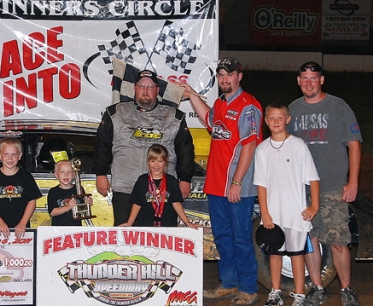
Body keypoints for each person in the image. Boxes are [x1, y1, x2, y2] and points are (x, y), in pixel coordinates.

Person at [179, 57, 262, 305]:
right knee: (222, 237)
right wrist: (192, 95)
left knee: (241, 238)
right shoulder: (220, 102)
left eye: (230, 74)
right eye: (221, 75)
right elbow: (209, 120)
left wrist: (237, 182)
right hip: (216, 184)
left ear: (240, 76)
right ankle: (229, 283)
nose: (225, 79)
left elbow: (250, 145)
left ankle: (248, 288)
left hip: (237, 187)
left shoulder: (249, 106)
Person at [288, 61, 362, 306]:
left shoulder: (338, 106)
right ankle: (317, 287)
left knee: (339, 241)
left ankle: (347, 289)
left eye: (313, 78)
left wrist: (352, 183)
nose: (309, 82)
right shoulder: (292, 110)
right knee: (312, 240)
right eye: (304, 78)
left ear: (322, 80)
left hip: (332, 186)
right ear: (298, 81)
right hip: (302, 189)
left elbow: (354, 144)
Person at [94, 69, 195, 226]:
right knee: (125, 241)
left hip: (163, 192)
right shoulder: (115, 113)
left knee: (162, 241)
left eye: (150, 87)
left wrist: (185, 179)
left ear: (157, 90)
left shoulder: (174, 116)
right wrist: (100, 174)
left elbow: (185, 151)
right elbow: (102, 146)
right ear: (134, 88)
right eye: (141, 86)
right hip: (125, 189)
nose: (145, 91)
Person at [254, 104, 320, 306]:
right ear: (266, 121)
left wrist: (314, 207)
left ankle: (299, 295)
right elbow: (261, 184)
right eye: (271, 118)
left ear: (287, 120)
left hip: (296, 213)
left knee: (296, 255)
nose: (275, 121)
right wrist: (265, 213)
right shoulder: (262, 149)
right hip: (274, 214)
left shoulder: (298, 145)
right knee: (275, 254)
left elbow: (313, 178)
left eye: (280, 118)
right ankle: (275, 293)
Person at [119, 144, 199, 229]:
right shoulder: (142, 180)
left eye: (160, 161)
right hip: (145, 227)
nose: (156, 165)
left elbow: (176, 203)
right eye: (152, 161)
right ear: (148, 162)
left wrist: (187, 223)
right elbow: (137, 204)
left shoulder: (171, 181)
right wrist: (129, 223)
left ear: (166, 162)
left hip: (167, 227)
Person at [0, 137, 42, 239]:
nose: (10, 158)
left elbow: (31, 201)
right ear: (0, 155)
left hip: (22, 229)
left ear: (20, 156)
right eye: (6, 154)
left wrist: (23, 223)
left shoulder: (26, 176)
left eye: (13, 154)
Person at [47, 159, 93, 226]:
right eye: (62, 172)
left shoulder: (79, 189)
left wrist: (88, 203)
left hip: (76, 228)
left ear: (74, 174)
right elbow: (52, 212)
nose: (66, 175)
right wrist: (68, 207)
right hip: (58, 229)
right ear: (56, 175)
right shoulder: (53, 191)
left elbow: (83, 211)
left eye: (69, 172)